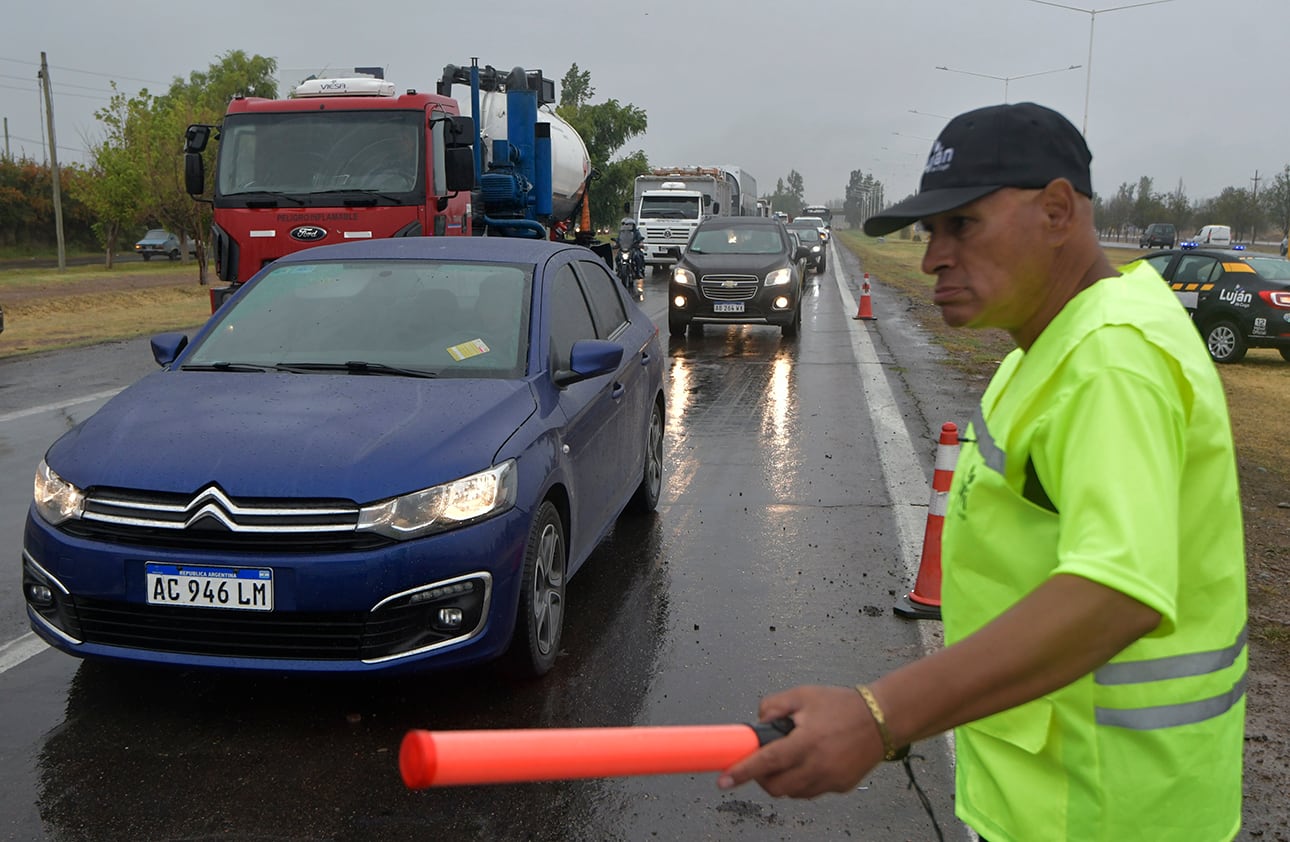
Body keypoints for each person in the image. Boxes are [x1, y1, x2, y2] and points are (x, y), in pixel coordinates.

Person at [719, 102, 1247, 842]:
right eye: (930, 231)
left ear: (1058, 210)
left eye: (961, 225)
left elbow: (1115, 593)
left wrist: (880, 716)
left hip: (1109, 813)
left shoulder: (1112, 361)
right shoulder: (1053, 349)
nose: (934, 255)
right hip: (1050, 798)